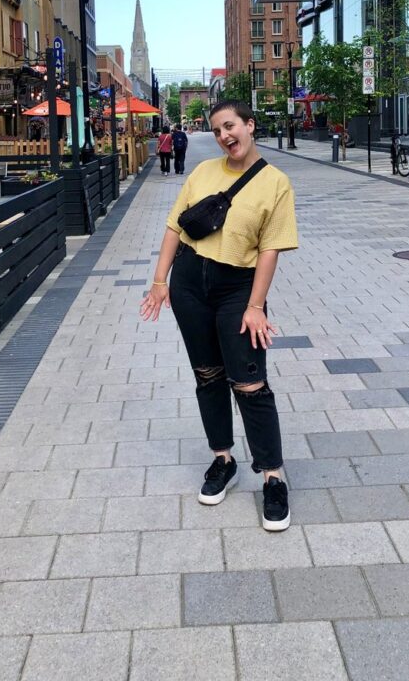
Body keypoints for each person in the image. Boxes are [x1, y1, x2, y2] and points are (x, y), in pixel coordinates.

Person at [140, 99, 298, 531]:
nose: (225, 135)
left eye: (231, 126)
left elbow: (270, 249)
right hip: (190, 281)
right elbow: (175, 226)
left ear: (249, 125)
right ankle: (222, 460)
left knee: (249, 382)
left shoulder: (276, 182)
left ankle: (273, 477)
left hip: (237, 287)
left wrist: (255, 306)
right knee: (208, 374)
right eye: (218, 130)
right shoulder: (203, 172)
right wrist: (160, 281)